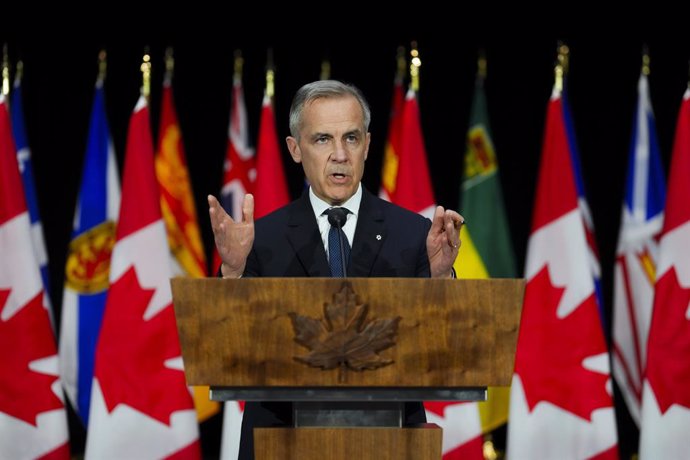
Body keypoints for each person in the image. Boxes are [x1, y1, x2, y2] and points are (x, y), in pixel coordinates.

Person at [208, 79, 464, 459]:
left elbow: (444, 350)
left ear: (367, 145)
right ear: (295, 149)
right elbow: (227, 353)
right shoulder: (261, 240)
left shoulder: (415, 234)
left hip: (390, 444)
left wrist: (441, 278)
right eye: (323, 139)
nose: (340, 154)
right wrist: (232, 273)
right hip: (280, 443)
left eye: (352, 138)